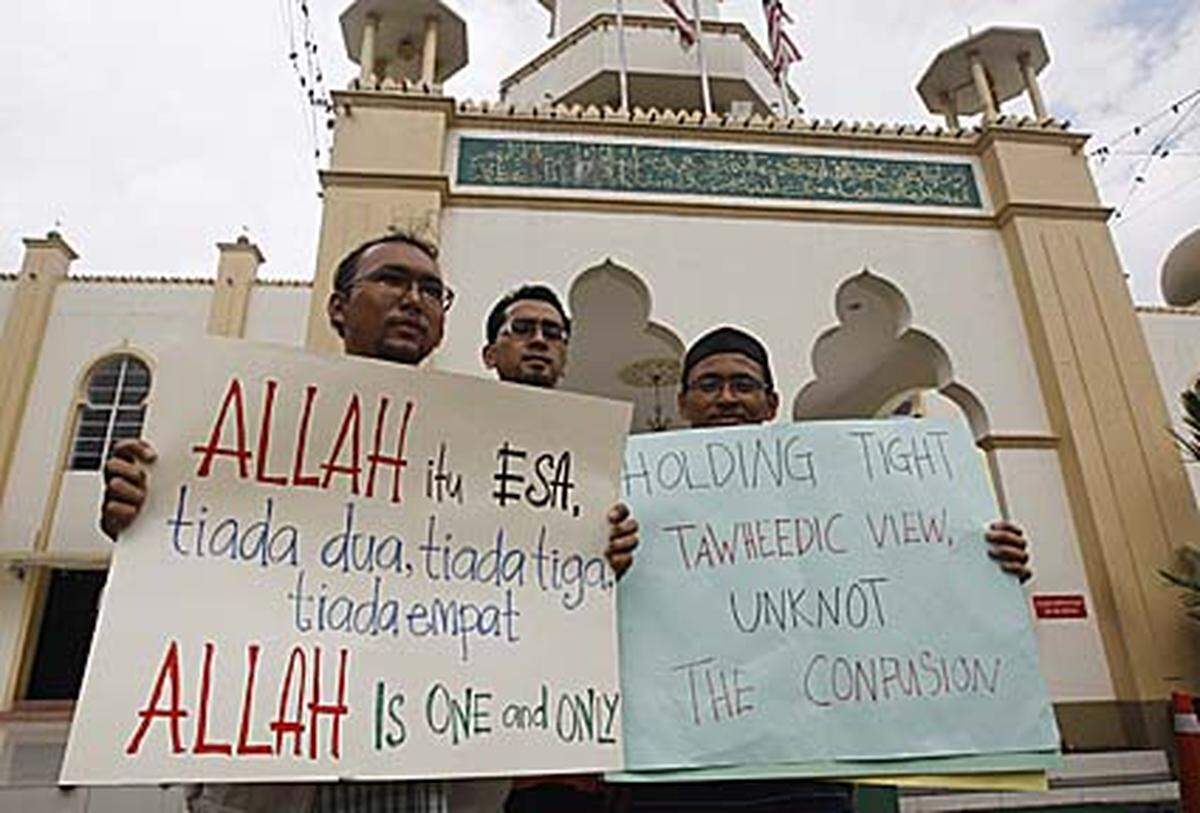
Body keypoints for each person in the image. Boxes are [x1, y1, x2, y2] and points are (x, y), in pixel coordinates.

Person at [100, 232, 457, 813]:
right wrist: (140, 521)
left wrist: (584, 555)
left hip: (407, 771)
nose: (414, 299)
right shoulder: (243, 418)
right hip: (268, 763)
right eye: (392, 280)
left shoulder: (471, 451)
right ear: (339, 308)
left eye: (432, 290)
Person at [609, 325, 1031, 813]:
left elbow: (906, 581)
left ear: (771, 403)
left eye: (743, 385)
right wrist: (603, 566)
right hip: (672, 773)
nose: (726, 397)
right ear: (682, 402)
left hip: (804, 771)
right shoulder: (631, 495)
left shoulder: (835, 492)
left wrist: (988, 567)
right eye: (709, 385)